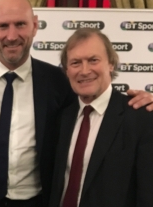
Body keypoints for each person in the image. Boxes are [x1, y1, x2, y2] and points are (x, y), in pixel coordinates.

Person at [0, 0, 153, 207]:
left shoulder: (59, 84)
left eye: (20, 24)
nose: (11, 35)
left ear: (35, 25)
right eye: (3, 26)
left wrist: (148, 100)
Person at [49, 28, 153, 207]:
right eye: (75, 63)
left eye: (93, 60)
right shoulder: (62, 117)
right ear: (66, 71)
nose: (84, 70)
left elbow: (147, 193)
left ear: (111, 63)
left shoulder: (141, 117)